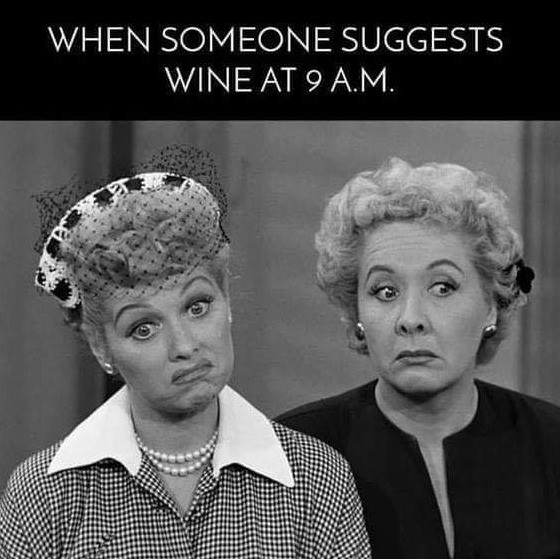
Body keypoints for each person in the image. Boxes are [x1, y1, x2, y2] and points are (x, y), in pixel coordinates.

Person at [0, 158, 371, 557]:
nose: (184, 346)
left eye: (197, 307)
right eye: (144, 328)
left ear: (227, 300)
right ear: (101, 347)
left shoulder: (316, 479)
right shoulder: (44, 497)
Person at [278, 157, 560, 559]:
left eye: (442, 287)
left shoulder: (550, 443)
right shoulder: (293, 456)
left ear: (491, 305)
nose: (411, 319)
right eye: (385, 292)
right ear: (357, 314)